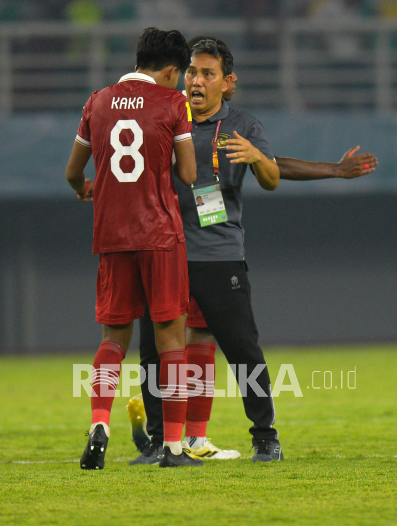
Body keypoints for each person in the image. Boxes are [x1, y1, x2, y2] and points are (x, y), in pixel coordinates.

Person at [128, 37, 378, 464]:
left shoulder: (243, 124)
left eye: (208, 74)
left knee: (243, 349)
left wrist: (265, 157)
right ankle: (160, 442)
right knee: (154, 351)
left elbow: (272, 174)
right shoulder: (166, 116)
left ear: (228, 83)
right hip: (166, 252)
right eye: (191, 72)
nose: (196, 81)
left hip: (218, 252)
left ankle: (265, 435)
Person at [65, 27, 200, 470]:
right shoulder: (173, 103)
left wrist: (87, 188)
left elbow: (72, 172)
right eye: (178, 76)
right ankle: (176, 448)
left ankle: (100, 422)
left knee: (113, 339)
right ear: (170, 70)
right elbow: (188, 173)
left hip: (112, 234)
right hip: (159, 233)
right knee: (171, 338)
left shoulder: (98, 100)